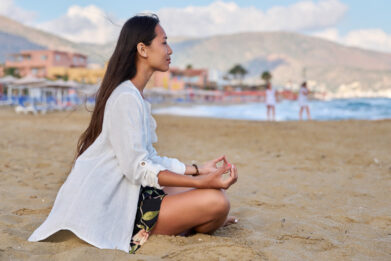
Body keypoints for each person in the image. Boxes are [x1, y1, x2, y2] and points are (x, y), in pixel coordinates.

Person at [28, 14, 238, 254]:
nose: (170, 50)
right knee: (217, 202)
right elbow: (137, 168)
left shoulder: (133, 95)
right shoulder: (126, 98)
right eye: (164, 42)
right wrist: (196, 182)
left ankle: (189, 219)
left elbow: (148, 158)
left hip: (133, 192)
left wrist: (198, 169)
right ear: (143, 49)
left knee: (213, 195)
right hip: (115, 206)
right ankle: (184, 222)